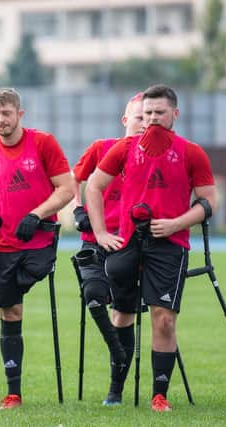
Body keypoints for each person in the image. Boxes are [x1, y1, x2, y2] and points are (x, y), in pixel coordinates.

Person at [85, 84, 216, 412]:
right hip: (128, 242)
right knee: (123, 314)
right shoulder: (125, 148)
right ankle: (116, 389)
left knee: (163, 319)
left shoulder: (191, 152)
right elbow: (94, 187)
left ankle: (160, 395)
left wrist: (176, 223)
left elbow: (208, 201)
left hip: (170, 244)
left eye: (159, 112)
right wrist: (101, 232)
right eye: (147, 114)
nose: (153, 119)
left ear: (175, 114)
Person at [0, 88, 73, 410]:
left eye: (6, 113)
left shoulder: (43, 143)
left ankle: (21, 282)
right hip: (1, 245)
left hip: (39, 241)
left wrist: (37, 214)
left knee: (33, 275)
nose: (0, 120)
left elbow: (67, 189)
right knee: (10, 311)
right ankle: (14, 393)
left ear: (19, 114)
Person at [72, 92, 145, 406]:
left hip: (130, 246)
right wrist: (79, 210)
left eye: (151, 116)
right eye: (139, 117)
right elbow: (75, 178)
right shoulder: (102, 148)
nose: (145, 123)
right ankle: (116, 350)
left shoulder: (155, 158)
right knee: (92, 297)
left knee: (124, 316)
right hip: (95, 244)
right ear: (125, 120)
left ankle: (115, 391)